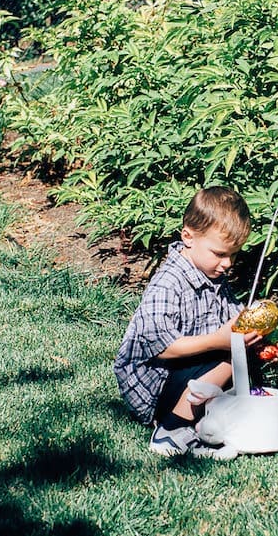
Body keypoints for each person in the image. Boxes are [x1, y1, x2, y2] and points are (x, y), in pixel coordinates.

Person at [114, 186, 268, 456]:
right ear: (188, 236)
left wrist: (255, 343)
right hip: (154, 385)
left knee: (240, 353)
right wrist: (221, 341)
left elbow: (231, 323)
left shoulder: (214, 277)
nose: (228, 263)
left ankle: (206, 422)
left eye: (233, 254)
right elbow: (164, 348)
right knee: (230, 356)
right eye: (219, 254)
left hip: (185, 372)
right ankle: (171, 429)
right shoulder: (169, 282)